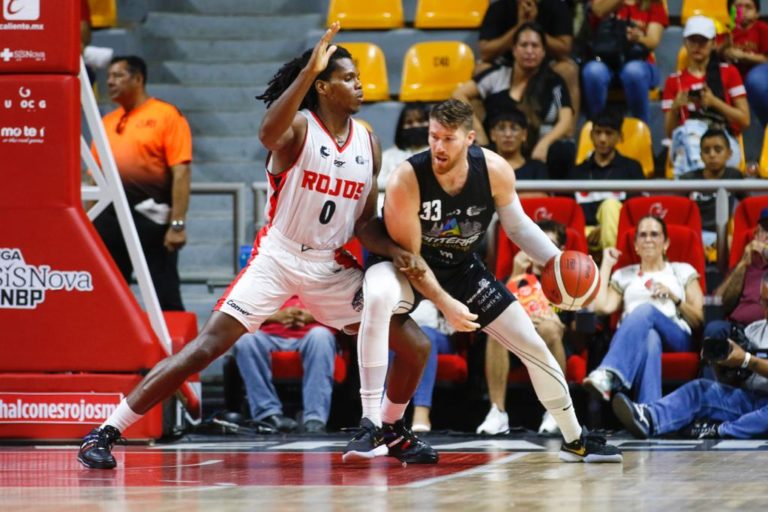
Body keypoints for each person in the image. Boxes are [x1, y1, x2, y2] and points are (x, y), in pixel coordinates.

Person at [78, 24, 432, 470]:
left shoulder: (369, 142)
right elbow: (268, 133)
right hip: (279, 257)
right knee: (206, 347)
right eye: (347, 77)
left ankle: (393, 430)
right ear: (321, 85)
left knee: (416, 345)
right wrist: (307, 71)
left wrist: (397, 249)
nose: (359, 83)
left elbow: (363, 223)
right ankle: (104, 431)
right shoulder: (298, 129)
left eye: (359, 76)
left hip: (329, 265)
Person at [349, 99, 623, 463]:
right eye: (433, 137)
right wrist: (446, 304)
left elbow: (519, 226)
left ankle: (576, 440)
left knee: (532, 343)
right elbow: (412, 261)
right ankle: (372, 426)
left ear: (470, 139)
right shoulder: (406, 178)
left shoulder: (494, 170)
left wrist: (556, 262)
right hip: (403, 267)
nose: (438, 147)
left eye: (448, 139)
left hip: (461, 267)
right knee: (380, 295)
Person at [612, 270, 768, 439]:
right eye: (764, 302)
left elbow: (748, 361)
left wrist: (747, 360)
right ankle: (650, 418)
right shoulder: (754, 330)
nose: (765, 309)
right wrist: (721, 364)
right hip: (751, 400)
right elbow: (732, 381)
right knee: (700, 389)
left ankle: (721, 430)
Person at [91, 55, 191, 311]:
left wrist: (177, 224)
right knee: (107, 295)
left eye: (118, 76)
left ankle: (172, 350)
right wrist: (88, 223)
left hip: (152, 221)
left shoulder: (166, 115)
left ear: (138, 79)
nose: (110, 82)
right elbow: (93, 178)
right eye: (109, 77)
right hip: (110, 221)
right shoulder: (106, 122)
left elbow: (181, 173)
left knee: (164, 295)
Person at [583, 215, 705, 403]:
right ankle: (649, 413)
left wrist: (674, 298)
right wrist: (606, 264)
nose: (648, 239)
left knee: (646, 310)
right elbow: (601, 307)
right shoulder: (624, 274)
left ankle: (608, 373)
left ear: (666, 243)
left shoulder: (682, 270)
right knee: (650, 338)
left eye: (655, 234)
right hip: (636, 337)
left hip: (676, 335)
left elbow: (699, 319)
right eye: (643, 235)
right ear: (636, 245)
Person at [477, 220, 571, 435]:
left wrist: (558, 323)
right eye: (536, 244)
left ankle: (556, 412)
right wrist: (515, 276)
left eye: (548, 244)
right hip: (515, 343)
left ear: (561, 250)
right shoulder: (515, 277)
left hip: (552, 342)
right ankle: (497, 413)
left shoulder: (568, 281)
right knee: (496, 332)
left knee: (550, 329)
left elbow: (575, 329)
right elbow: (493, 310)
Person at [454, 22, 575, 179]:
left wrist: (545, 143)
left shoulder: (554, 82)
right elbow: (458, 94)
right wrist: (479, 132)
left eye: (535, 45)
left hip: (536, 149)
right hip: (497, 145)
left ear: (544, 51)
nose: (529, 51)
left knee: (563, 150)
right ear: (514, 50)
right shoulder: (498, 75)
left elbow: (566, 120)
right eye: (524, 45)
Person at [232, 296, 336, 433]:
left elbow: (345, 310)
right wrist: (275, 316)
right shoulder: (263, 278)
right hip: (269, 335)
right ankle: (268, 415)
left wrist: (311, 315)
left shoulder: (328, 278)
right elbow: (238, 311)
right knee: (246, 340)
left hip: (312, 334)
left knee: (320, 336)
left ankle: (315, 419)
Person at [662, 15, 749, 177]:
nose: (697, 46)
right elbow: (669, 133)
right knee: (690, 136)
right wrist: (675, 108)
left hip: (723, 141)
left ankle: (698, 189)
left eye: (702, 41)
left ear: (713, 43)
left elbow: (744, 120)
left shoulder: (729, 73)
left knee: (704, 145)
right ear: (685, 43)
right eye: (692, 41)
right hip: (687, 142)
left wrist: (715, 102)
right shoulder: (674, 81)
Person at [477, 0, 581, 120]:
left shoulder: (557, 6)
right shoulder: (499, 7)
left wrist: (534, 28)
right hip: (508, 65)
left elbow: (564, 50)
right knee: (481, 69)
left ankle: (568, 136)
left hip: (545, 65)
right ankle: (482, 135)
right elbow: (485, 53)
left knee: (569, 70)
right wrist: (520, 27)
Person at [567, 109, 645, 254]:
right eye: (598, 132)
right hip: (585, 232)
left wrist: (604, 229)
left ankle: (614, 267)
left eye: (609, 133)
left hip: (618, 230)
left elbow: (635, 212)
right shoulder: (577, 172)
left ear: (619, 137)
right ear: (591, 135)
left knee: (610, 205)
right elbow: (571, 213)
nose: (602, 139)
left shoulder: (631, 168)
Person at [581, 0, 668, 123]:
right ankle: (597, 127)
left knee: (633, 72)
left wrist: (639, 38)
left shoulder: (654, 3)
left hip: (639, 62)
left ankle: (642, 130)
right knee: (593, 71)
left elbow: (653, 41)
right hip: (605, 61)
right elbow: (598, 11)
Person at [679, 128, 744, 259]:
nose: (712, 155)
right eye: (706, 151)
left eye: (718, 150)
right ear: (701, 155)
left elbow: (748, 206)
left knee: (734, 244)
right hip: (694, 234)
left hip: (722, 235)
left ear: (729, 154)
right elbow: (677, 216)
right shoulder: (687, 180)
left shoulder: (734, 176)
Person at [706, 209, 768, 342]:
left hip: (764, 329)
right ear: (756, 235)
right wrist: (743, 263)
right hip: (739, 330)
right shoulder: (747, 264)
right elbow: (720, 300)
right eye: (766, 230)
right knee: (714, 329)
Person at [402, 300, 455, 433]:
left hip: (438, 333)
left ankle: (422, 410)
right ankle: (382, 414)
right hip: (403, 330)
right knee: (391, 340)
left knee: (425, 337)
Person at [718, 0, 768, 126]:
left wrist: (744, 56)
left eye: (748, 7)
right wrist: (724, 47)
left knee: (755, 79)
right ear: (730, 11)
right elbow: (710, 55)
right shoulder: (724, 31)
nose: (743, 11)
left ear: (757, 13)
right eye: (738, 6)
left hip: (757, 83)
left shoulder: (762, 29)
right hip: (731, 85)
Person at [486, 108, 549, 190]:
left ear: (524, 134)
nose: (508, 134)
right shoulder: (483, 167)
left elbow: (543, 197)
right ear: (492, 134)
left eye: (514, 128)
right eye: (501, 128)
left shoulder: (537, 168)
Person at [379, 102, 430, 186]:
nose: (415, 125)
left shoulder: (439, 155)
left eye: (421, 121)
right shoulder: (388, 156)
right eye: (409, 122)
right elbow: (377, 182)